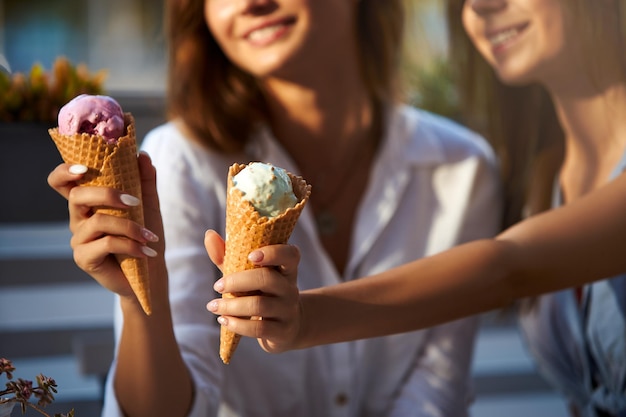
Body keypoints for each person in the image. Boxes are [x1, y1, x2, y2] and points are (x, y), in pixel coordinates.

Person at [47, 0, 503, 416]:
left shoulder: (461, 169)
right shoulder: (175, 161)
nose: (251, 4)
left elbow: (434, 395)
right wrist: (135, 295)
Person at [206, 0, 626, 416]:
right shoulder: (544, 178)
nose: (480, 6)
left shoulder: (478, 168)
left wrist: (306, 317)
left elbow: (506, 269)